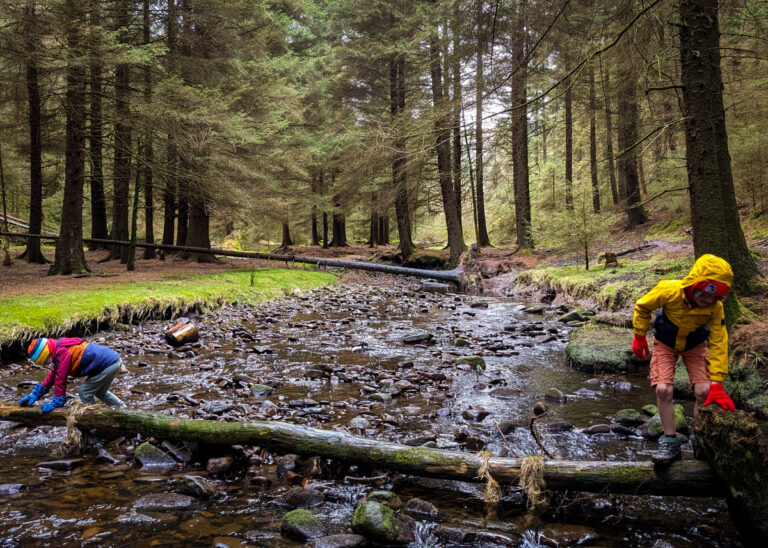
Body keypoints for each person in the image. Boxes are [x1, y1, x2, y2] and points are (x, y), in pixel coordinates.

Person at [631, 254, 736, 466]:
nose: (707, 301)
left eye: (713, 298)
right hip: (665, 342)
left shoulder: (716, 309)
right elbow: (643, 306)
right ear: (694, 284)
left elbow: (718, 341)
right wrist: (639, 335)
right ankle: (670, 441)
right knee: (663, 389)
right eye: (704, 294)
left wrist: (717, 380)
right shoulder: (669, 290)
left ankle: (701, 437)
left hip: (696, 345)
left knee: (704, 392)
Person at [19, 337, 127, 412]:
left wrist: (58, 400)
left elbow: (60, 378)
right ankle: (123, 409)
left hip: (108, 364)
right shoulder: (58, 349)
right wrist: (37, 393)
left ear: (47, 353)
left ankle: (94, 415)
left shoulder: (62, 353)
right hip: (112, 361)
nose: (46, 364)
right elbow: (54, 373)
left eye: (45, 361)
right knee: (100, 392)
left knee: (84, 392)